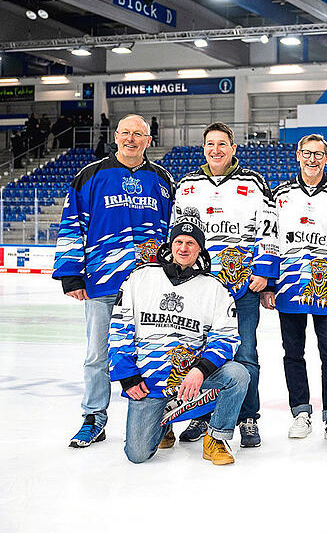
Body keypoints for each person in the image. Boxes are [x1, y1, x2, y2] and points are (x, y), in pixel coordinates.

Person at [53, 113, 174, 448]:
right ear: (115, 136)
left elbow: (173, 233)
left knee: (155, 351)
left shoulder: (163, 180)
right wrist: (71, 274)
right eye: (126, 133)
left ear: (149, 140)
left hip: (149, 287)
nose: (131, 139)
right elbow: (71, 224)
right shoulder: (89, 176)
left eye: (139, 134)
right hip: (104, 283)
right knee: (97, 355)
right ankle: (94, 417)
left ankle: (159, 417)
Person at [171, 122, 278, 448]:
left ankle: (248, 418)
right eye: (210, 144)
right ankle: (203, 415)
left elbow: (269, 230)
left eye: (222, 144)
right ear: (203, 148)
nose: (216, 150)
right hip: (200, 290)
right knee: (199, 354)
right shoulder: (187, 185)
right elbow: (176, 237)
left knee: (245, 354)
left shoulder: (255, 182)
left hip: (243, 288)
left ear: (233, 148)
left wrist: (264, 272)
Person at [109, 216, 249, 465]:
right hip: (149, 380)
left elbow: (226, 337)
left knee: (238, 375)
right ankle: (164, 424)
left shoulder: (214, 288)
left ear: (200, 249)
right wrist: (128, 375)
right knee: (138, 455)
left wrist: (200, 370)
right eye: (179, 242)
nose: (183, 248)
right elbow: (120, 329)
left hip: (191, 380)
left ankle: (215, 438)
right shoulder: (140, 278)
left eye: (191, 243)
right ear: (170, 245)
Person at [260, 134, 327, 444]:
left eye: (318, 154)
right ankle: (300, 412)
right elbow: (269, 240)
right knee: (293, 352)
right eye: (307, 153)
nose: (312, 159)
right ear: (298, 156)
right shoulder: (280, 195)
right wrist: (270, 283)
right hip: (289, 286)